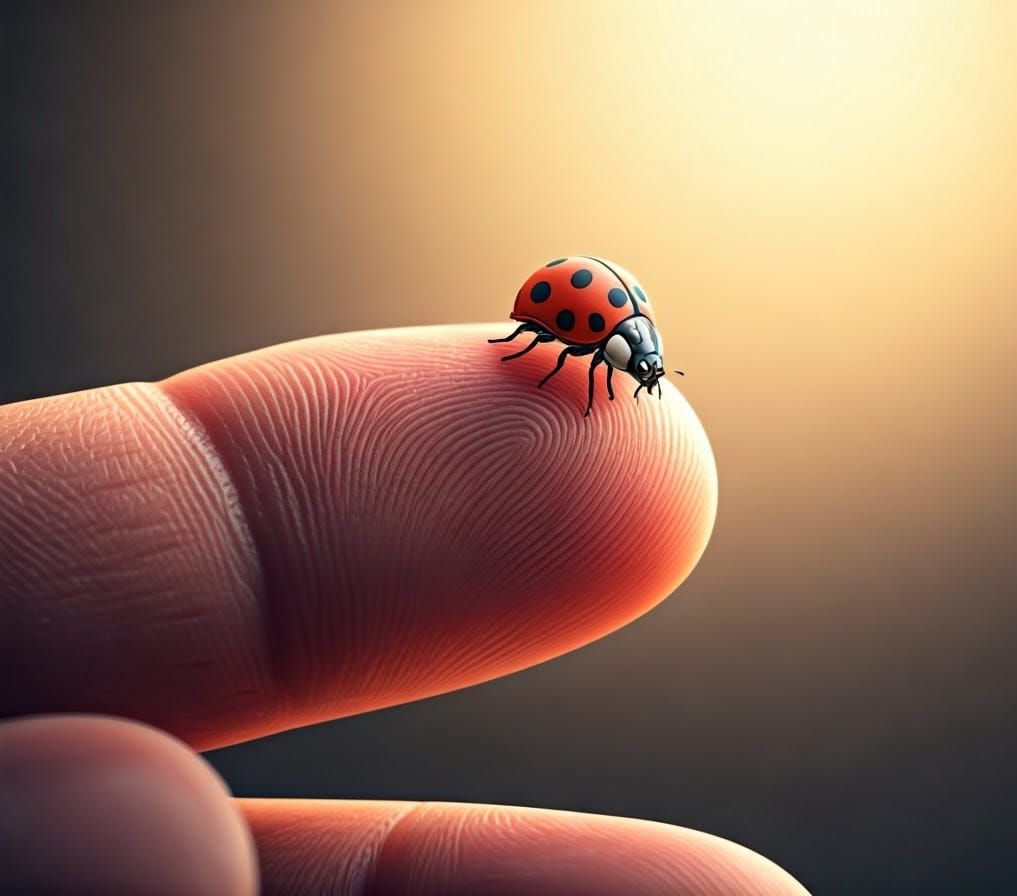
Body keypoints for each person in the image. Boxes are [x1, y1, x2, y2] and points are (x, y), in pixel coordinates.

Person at [0, 324, 806, 895]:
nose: (628, 374)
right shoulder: (600, 353)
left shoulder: (611, 343)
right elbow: (574, 351)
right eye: (631, 367)